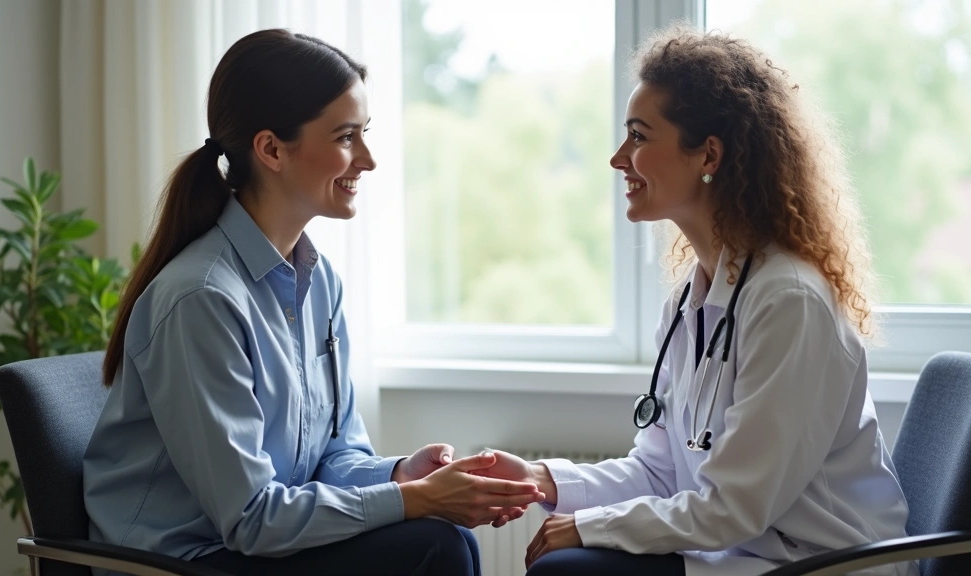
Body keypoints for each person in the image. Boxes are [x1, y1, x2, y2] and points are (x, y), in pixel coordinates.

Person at [83, 29, 543, 576]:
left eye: (363, 133)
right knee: (433, 544)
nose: (367, 160)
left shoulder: (318, 281)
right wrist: (417, 500)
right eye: (347, 137)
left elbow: (333, 457)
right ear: (272, 149)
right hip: (185, 561)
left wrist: (400, 475)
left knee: (442, 538)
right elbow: (251, 516)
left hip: (253, 544)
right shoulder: (200, 299)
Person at [475, 24, 917, 576]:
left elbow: (735, 508)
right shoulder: (696, 297)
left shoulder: (790, 303)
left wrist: (593, 526)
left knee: (568, 569)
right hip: (744, 552)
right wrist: (545, 481)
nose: (618, 158)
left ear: (707, 153)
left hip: (819, 564)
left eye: (639, 136)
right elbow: (660, 473)